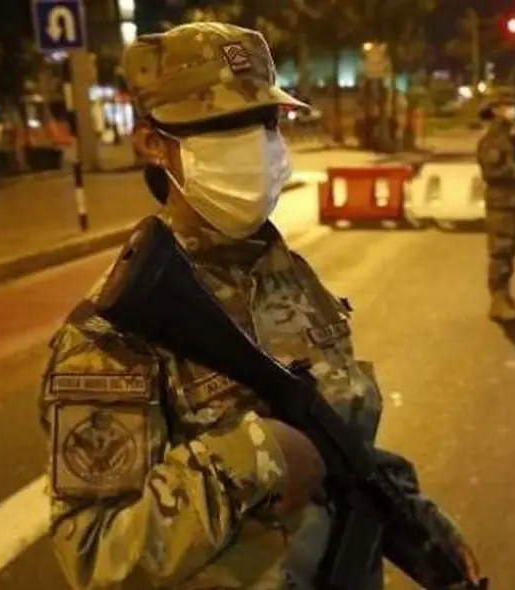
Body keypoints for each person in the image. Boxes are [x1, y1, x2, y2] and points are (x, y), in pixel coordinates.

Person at [38, 22, 479, 590]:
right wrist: (249, 459)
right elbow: (95, 557)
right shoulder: (112, 334)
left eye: (264, 121)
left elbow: (338, 440)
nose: (253, 144)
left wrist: (412, 515)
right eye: (221, 126)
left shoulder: (292, 278)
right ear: (152, 142)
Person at [476, 100, 515, 323]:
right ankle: (497, 302)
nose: (512, 110)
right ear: (496, 110)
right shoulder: (493, 139)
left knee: (509, 250)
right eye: (507, 105)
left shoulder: (508, 136)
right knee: (500, 251)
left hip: (511, 201)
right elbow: (493, 171)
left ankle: (506, 297)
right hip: (500, 202)